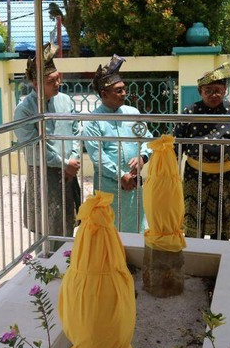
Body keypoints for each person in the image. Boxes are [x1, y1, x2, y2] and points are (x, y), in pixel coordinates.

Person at [174, 62, 230, 240]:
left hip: (228, 179)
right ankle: (195, 263)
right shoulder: (189, 113)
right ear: (200, 92)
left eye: (218, 90)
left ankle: (220, 263)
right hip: (195, 178)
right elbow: (176, 147)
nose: (214, 95)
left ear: (225, 90)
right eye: (208, 90)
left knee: (222, 232)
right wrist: (170, 178)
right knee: (194, 230)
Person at [13, 42, 81, 252]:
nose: (58, 83)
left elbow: (77, 131)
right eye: (51, 81)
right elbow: (34, 146)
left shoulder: (66, 101)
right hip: (43, 173)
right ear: (35, 83)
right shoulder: (25, 110)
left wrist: (74, 159)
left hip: (69, 170)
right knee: (46, 227)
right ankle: (45, 273)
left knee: (68, 221)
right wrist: (63, 163)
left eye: (58, 78)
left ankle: (66, 268)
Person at [82, 54, 152, 233]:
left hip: (134, 185)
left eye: (124, 89)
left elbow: (147, 139)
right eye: (118, 90)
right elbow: (98, 157)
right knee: (109, 231)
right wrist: (121, 175)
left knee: (135, 226)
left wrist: (143, 157)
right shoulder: (93, 122)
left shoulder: (132, 112)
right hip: (109, 188)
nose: (124, 93)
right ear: (104, 94)